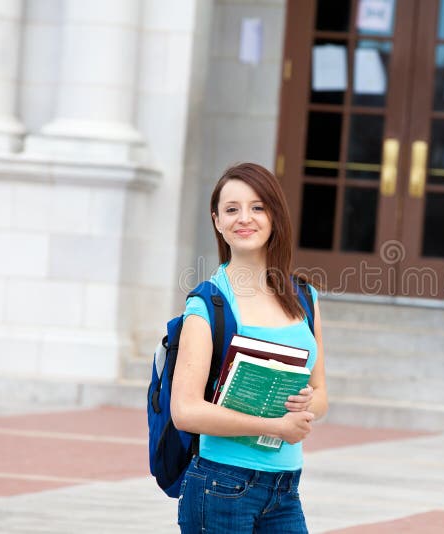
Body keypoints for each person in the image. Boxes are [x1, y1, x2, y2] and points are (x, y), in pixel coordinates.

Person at [171, 162, 327, 533]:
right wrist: (275, 425)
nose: (245, 218)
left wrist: (305, 408)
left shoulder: (304, 295)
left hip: (285, 488)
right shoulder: (208, 305)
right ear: (217, 221)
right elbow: (185, 410)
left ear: (274, 215)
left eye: (257, 207)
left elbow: (320, 394)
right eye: (232, 209)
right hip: (220, 484)